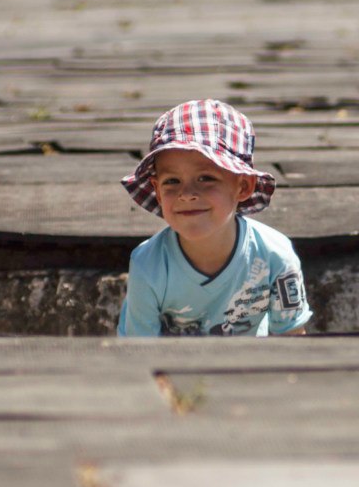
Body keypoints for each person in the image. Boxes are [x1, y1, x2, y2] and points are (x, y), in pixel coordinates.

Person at [117, 99, 312, 337]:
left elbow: (292, 340)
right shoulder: (148, 265)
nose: (187, 195)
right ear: (157, 191)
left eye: (206, 178)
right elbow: (138, 353)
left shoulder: (274, 256)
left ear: (243, 186)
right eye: (172, 181)